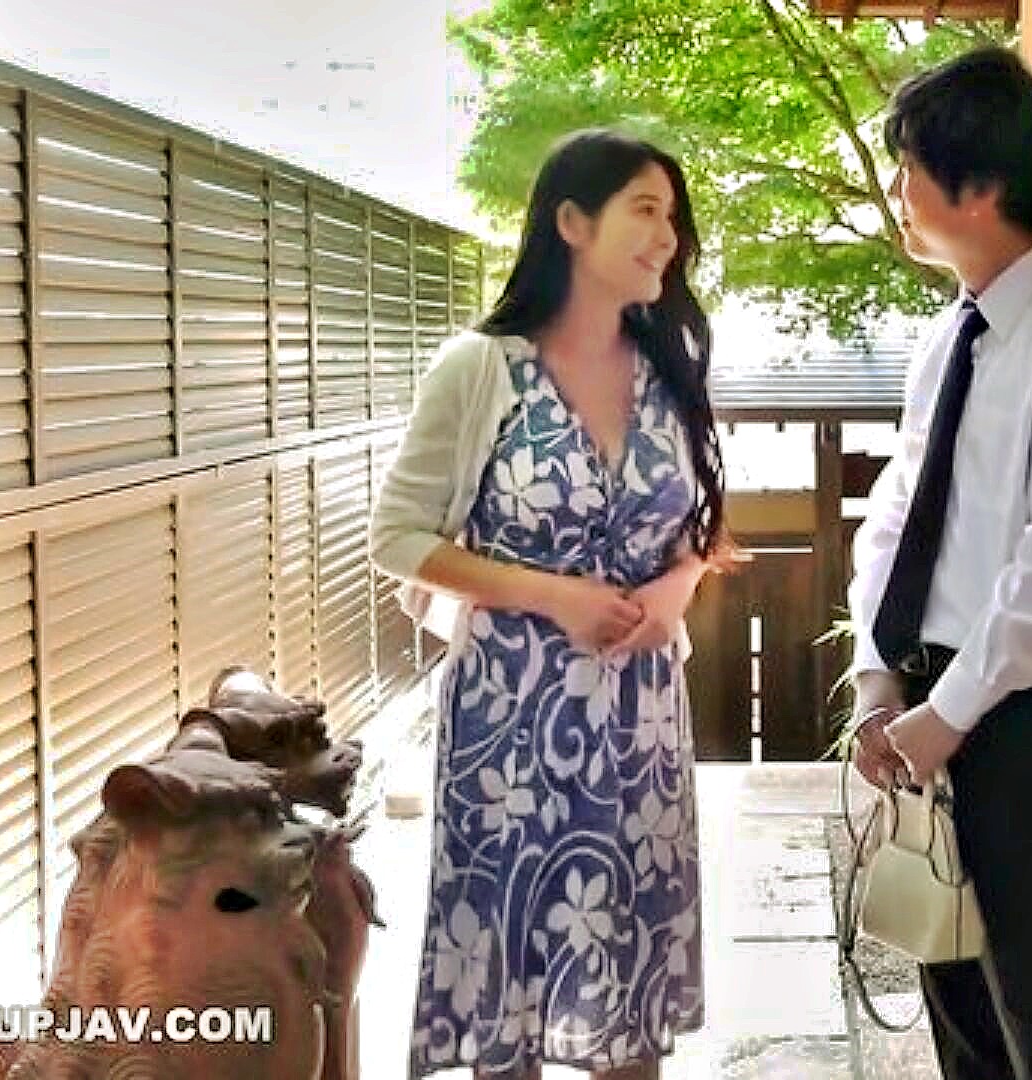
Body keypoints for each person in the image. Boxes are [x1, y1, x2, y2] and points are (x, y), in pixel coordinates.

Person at [369, 129, 726, 1080]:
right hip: (509, 726)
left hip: (641, 724)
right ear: (571, 221)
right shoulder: (480, 367)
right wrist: (554, 596)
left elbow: (698, 529)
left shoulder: (670, 370)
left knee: (632, 1000)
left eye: (673, 216)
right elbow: (395, 536)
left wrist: (676, 589)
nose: (668, 236)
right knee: (510, 1003)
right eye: (645, 210)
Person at [843, 46, 1032, 1080]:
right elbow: (896, 513)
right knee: (960, 1013)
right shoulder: (949, 337)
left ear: (978, 189)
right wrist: (879, 677)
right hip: (930, 699)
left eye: (910, 167)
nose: (898, 188)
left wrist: (947, 715)